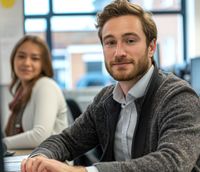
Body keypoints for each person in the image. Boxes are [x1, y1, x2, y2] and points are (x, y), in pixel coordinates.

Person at [21, 0, 200, 172]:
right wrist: (38, 160)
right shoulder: (105, 100)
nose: (119, 52)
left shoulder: (179, 97)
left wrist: (83, 171)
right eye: (110, 42)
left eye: (130, 40)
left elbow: (172, 163)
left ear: (151, 47)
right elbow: (67, 140)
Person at [3, 35, 68, 149]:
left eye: (35, 58)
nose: (27, 63)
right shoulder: (21, 91)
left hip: (55, 163)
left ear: (43, 64)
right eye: (21, 56)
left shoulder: (45, 86)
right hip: (31, 158)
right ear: (13, 59)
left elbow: (40, 136)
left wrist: (3, 143)